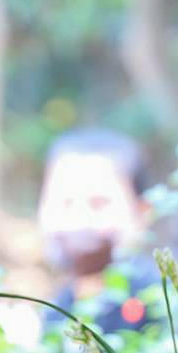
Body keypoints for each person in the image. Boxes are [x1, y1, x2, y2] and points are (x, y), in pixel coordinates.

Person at [36, 127, 165, 334]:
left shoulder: (165, 306)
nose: (79, 220)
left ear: (142, 212)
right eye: (66, 203)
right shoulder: (56, 311)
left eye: (98, 203)